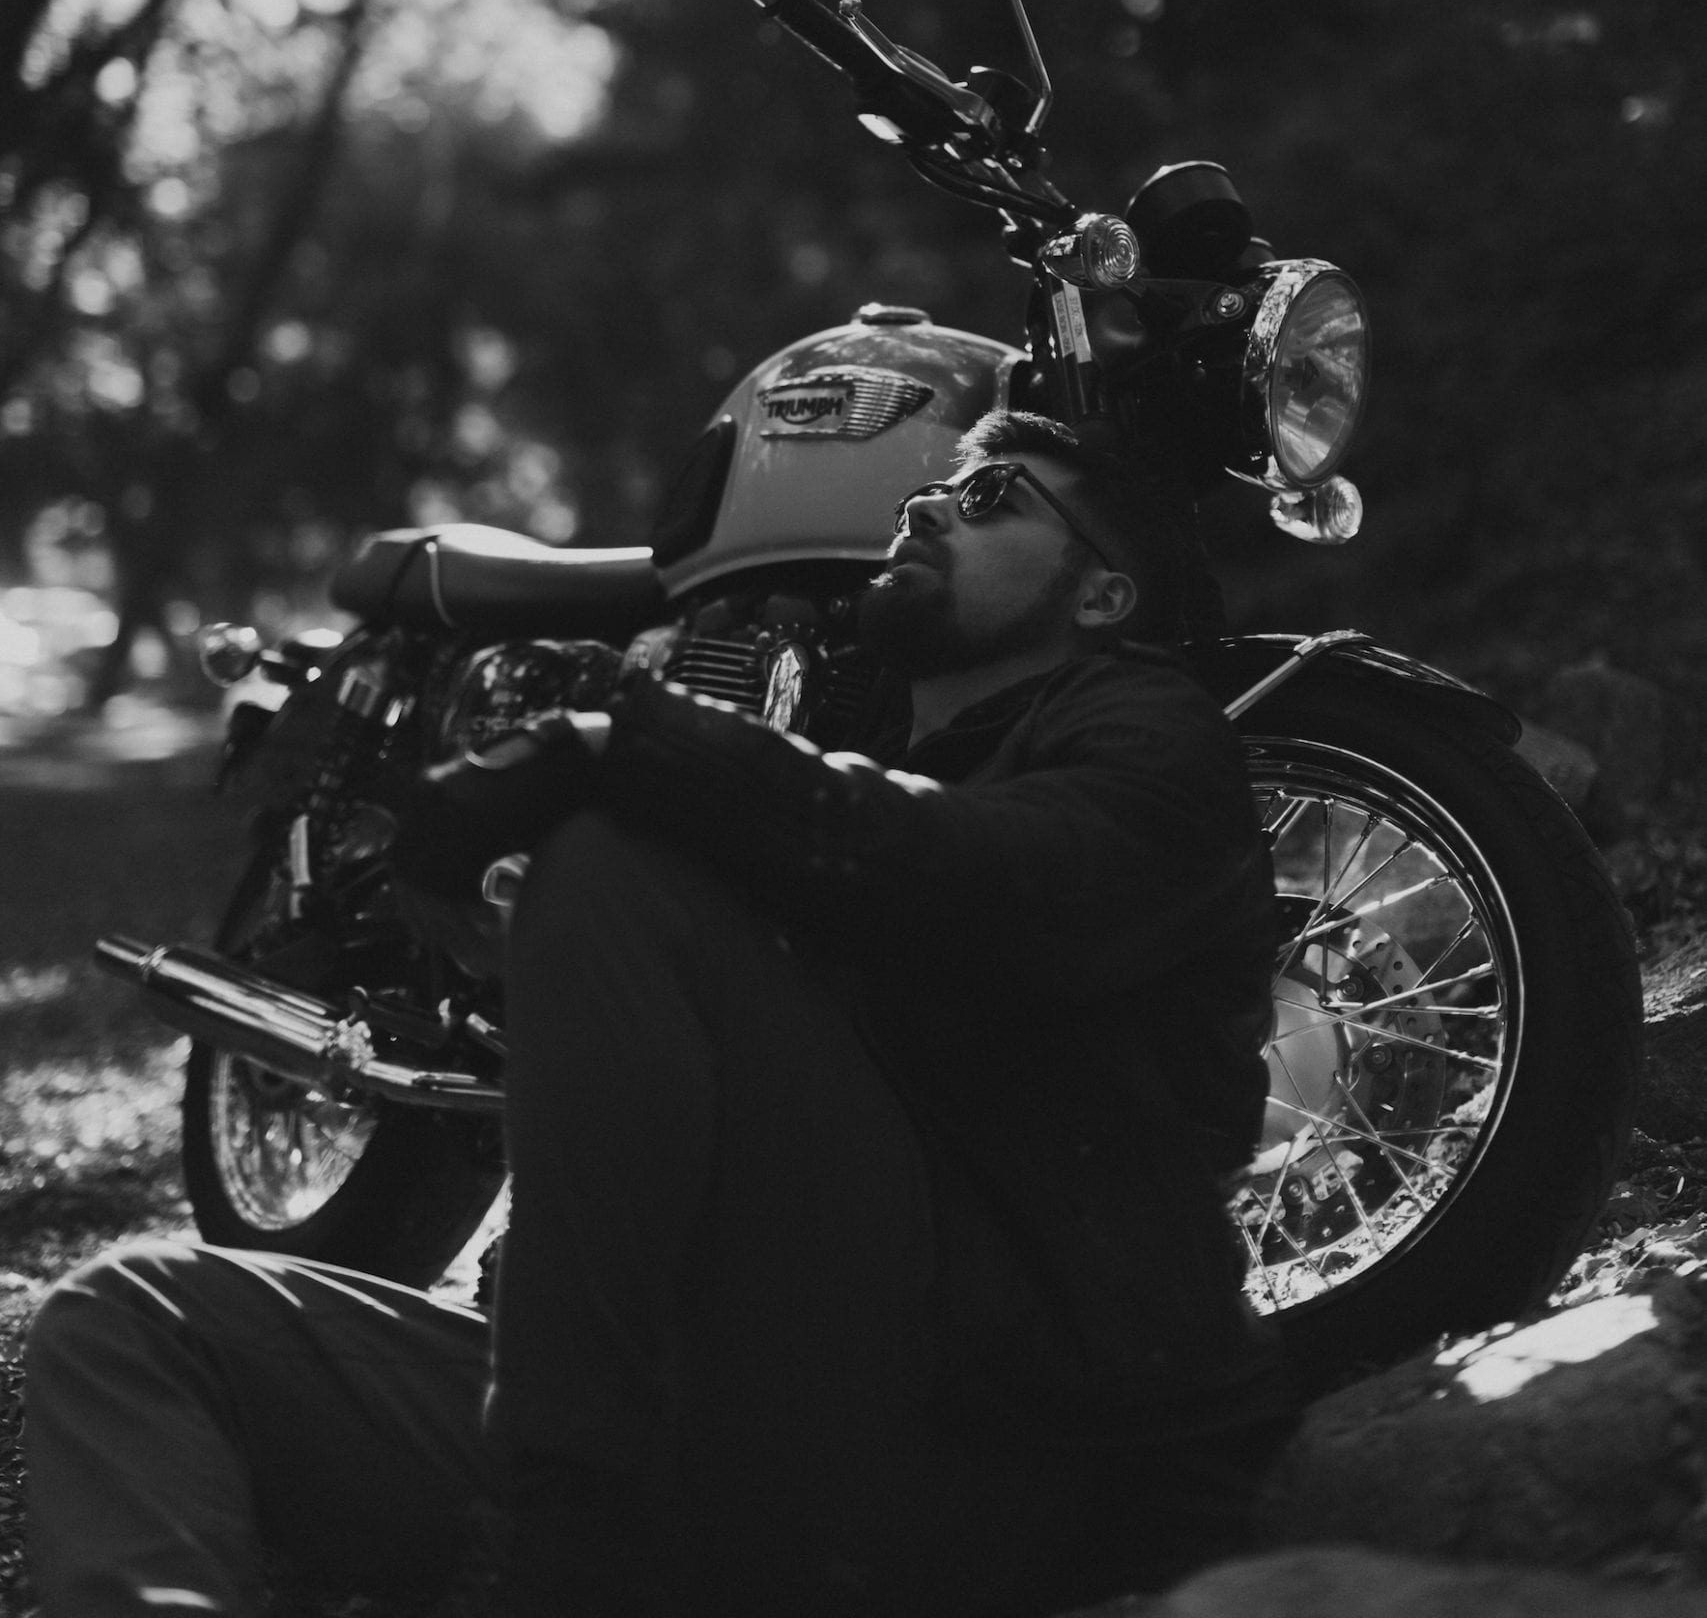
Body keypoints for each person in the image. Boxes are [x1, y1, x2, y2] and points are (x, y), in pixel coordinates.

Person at [25, 409, 1294, 1618]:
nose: (926, 512)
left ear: (1103, 593)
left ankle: (569, 1552)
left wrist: (616, 746)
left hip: (989, 1438)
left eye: (986, 496)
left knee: (614, 854)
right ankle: (574, 1514)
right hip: (704, 1422)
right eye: (928, 488)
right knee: (129, 1319)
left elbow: (989, 877)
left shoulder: (1149, 733)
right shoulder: (865, 759)